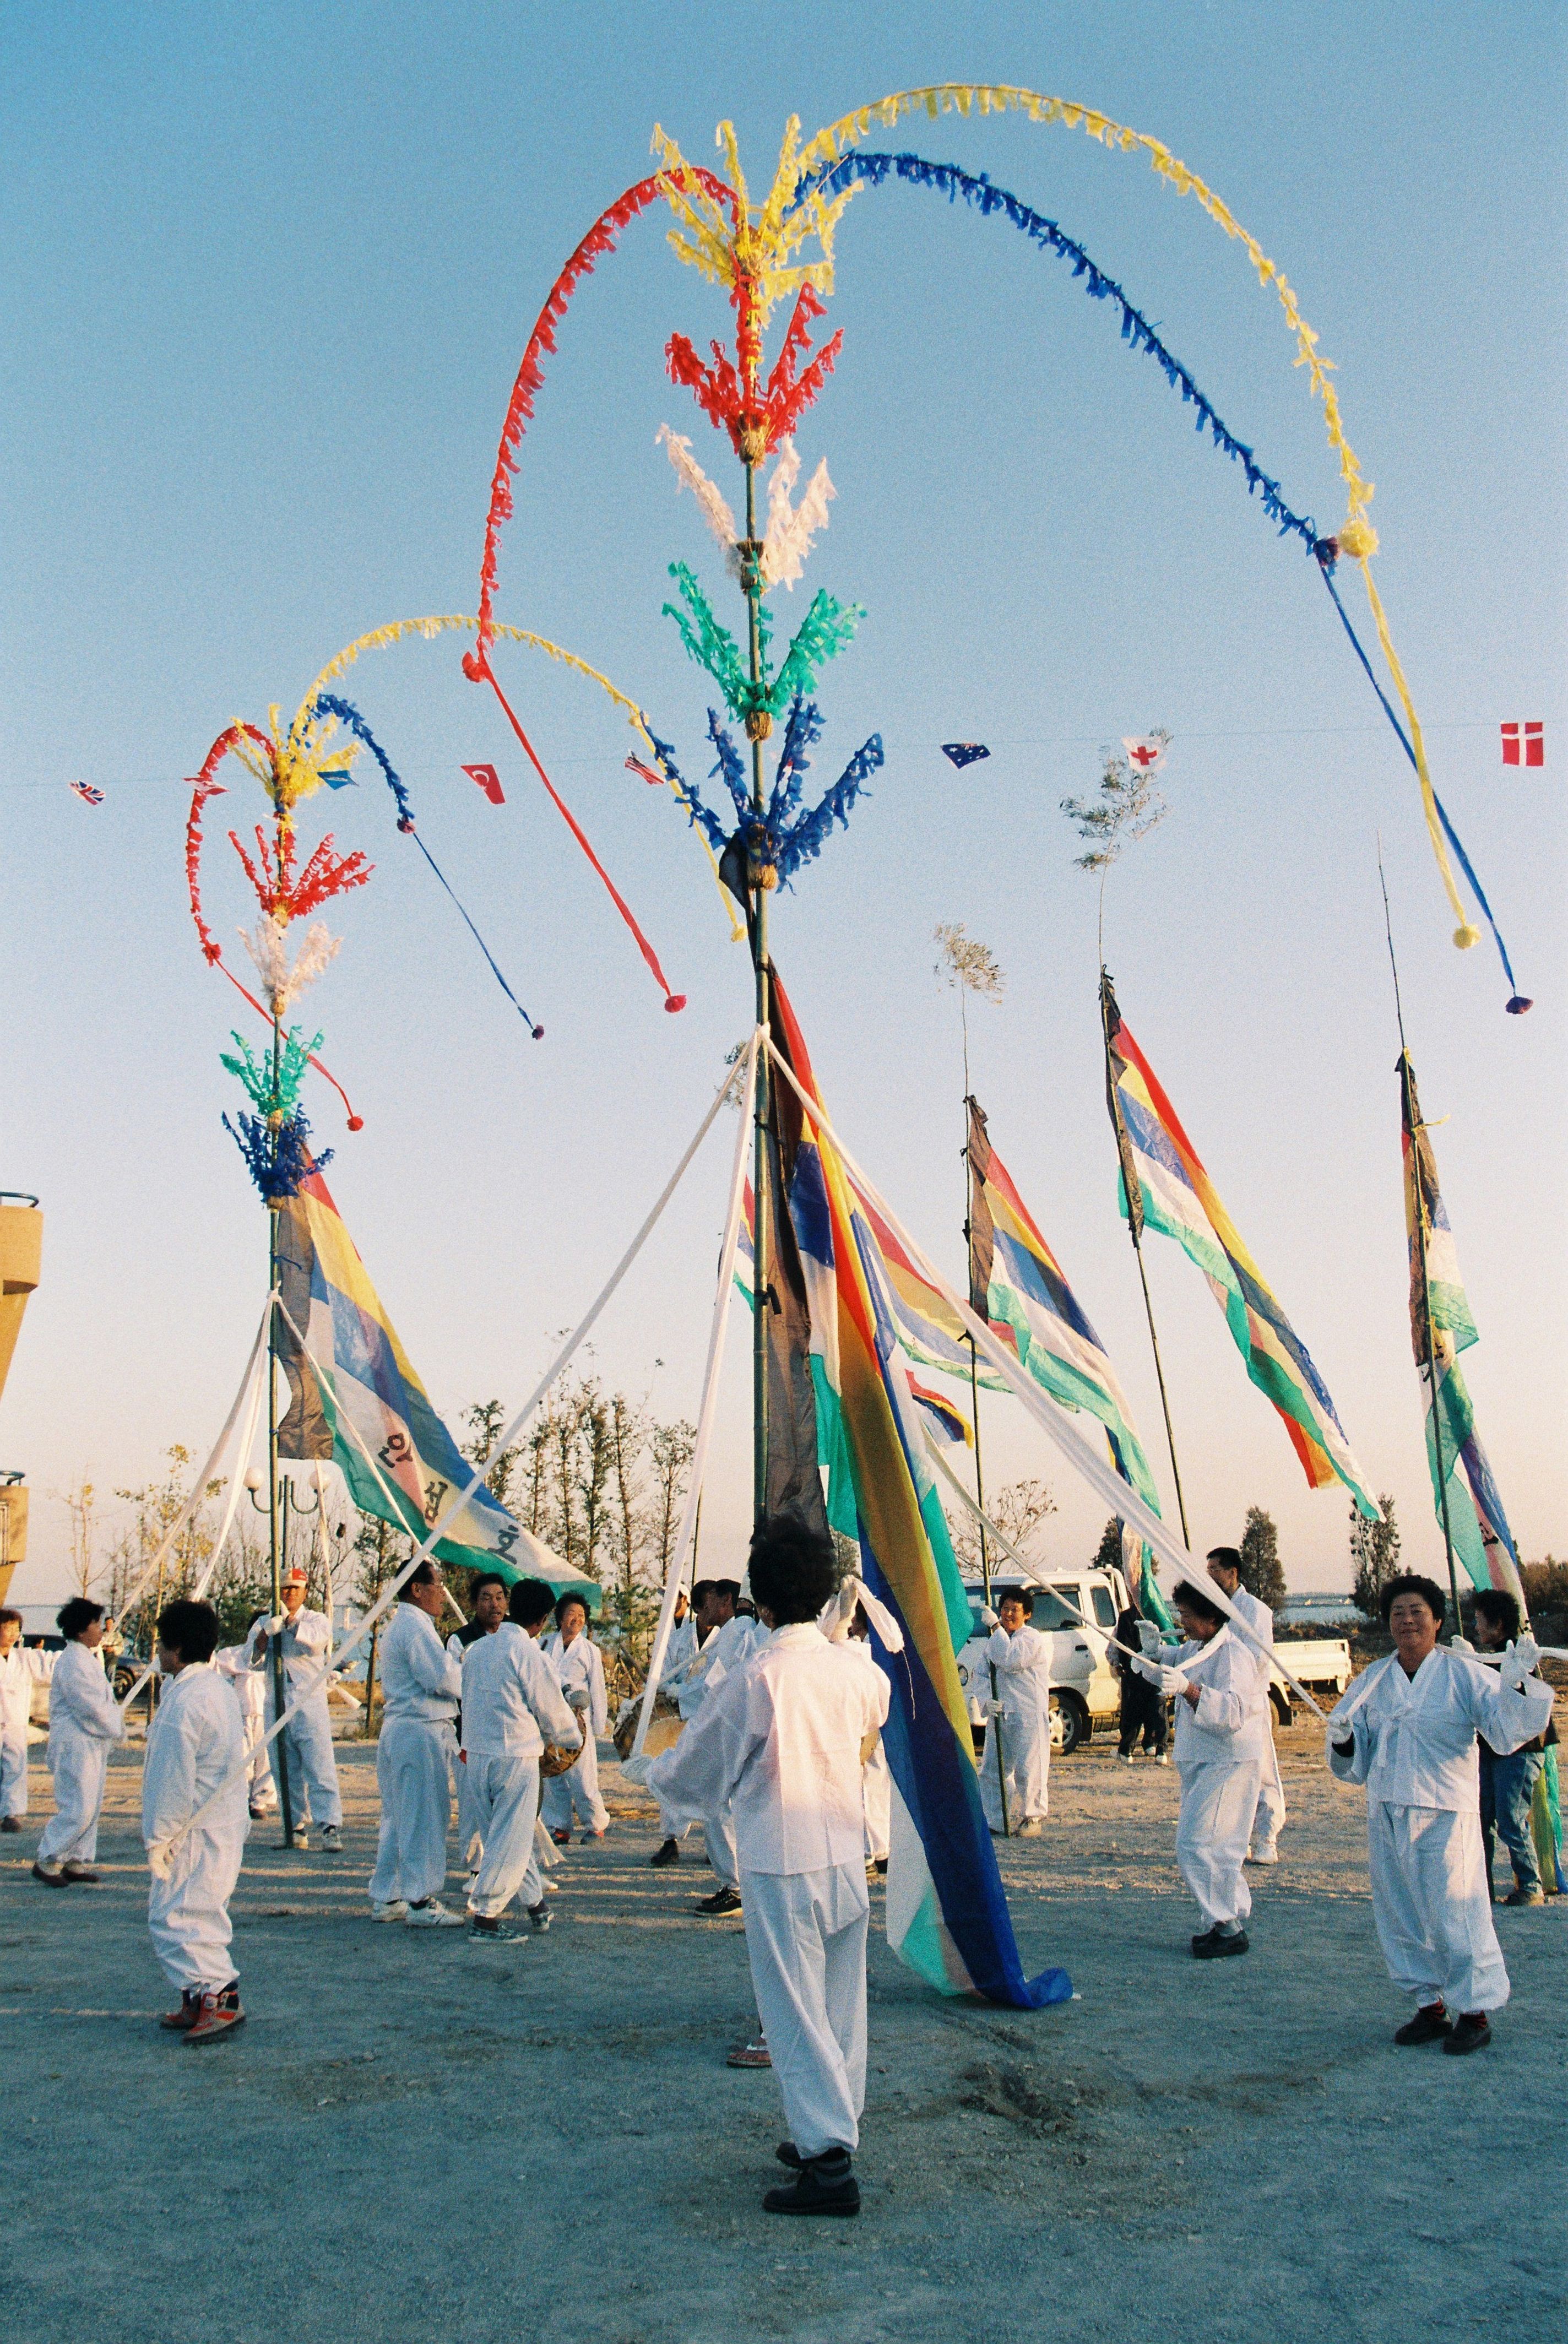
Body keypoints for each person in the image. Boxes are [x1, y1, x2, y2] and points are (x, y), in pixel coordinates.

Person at [633, 1516, 889, 2217]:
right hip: (843, 1851)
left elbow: (699, 1770)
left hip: (782, 1857)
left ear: (762, 1600)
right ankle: (831, 2128)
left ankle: (828, 2160)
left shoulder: (757, 1675)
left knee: (794, 2009)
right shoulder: (849, 1666)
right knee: (838, 2002)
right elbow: (879, 1708)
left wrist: (652, 1773)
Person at [1328, 1573, 1553, 2052]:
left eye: (1416, 1613)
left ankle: (1474, 2011)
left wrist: (1518, 1680)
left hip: (1445, 1813)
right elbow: (1353, 1755)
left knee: (1457, 1910)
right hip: (1387, 1809)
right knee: (1400, 1913)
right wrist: (1344, 1736)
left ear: (1435, 1620)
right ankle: (1428, 2007)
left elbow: (1505, 1731)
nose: (1406, 1621)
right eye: (1396, 1614)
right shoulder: (1373, 1680)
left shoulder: (1462, 1672)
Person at [1133, 1580, 1266, 1957]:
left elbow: (1233, 1712)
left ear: (1210, 1616)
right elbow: (1162, 1673)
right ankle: (1224, 1919)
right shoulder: (1195, 1648)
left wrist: (1190, 1691)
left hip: (1228, 1760)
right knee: (1220, 1846)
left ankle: (1227, 1924)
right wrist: (1151, 1654)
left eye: (1187, 1615)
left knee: (1195, 1843)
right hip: (1202, 1758)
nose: (1182, 1621)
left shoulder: (1233, 1654)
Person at [142, 1599, 250, 2043]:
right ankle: (195, 1996)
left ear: (177, 1647)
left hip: (196, 1825)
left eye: (161, 1644)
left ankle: (219, 1996)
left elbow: (170, 1780)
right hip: (219, 1819)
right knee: (198, 1907)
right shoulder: (216, 1688)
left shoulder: (186, 1701)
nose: (158, 1652)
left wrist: (158, 1838)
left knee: (178, 1915)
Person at [460, 1577, 582, 1941]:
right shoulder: (530, 1654)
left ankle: (535, 1905)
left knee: (505, 1836)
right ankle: (485, 1916)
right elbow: (552, 1711)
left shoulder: (478, 1651)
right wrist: (572, 1735)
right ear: (544, 1619)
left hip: (478, 1755)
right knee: (510, 1839)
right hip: (514, 1756)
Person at [368, 1558, 465, 1927]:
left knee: (399, 1816)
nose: (442, 1592)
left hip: (404, 1729)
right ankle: (420, 1900)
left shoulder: (408, 1625)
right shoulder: (413, 1626)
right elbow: (439, 1678)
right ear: (417, 1589)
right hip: (418, 1729)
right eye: (437, 1584)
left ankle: (388, 1894)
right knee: (423, 1814)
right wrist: (468, 1672)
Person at [247, 1565, 342, 1852]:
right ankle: (295, 1828)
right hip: (276, 1701)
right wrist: (265, 1636)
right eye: (284, 1588)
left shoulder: (317, 1620)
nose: (289, 1593)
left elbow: (315, 1642)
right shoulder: (265, 1621)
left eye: (295, 1589)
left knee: (318, 1764)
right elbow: (250, 1659)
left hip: (307, 1703)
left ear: (305, 1592)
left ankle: (329, 1826)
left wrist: (289, 1623)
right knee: (283, 1767)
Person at [34, 1598, 125, 1886]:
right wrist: (116, 1727)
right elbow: (90, 1707)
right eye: (97, 1624)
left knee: (92, 1803)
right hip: (76, 1744)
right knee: (79, 1805)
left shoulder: (86, 1657)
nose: (101, 1629)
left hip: (90, 1743)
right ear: (82, 1628)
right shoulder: (73, 1661)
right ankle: (47, 1860)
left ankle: (77, 1860)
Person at [1473, 1587, 1553, 1907]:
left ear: (1499, 1624)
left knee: (1510, 1817)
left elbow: (1528, 1706)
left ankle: (1531, 1886)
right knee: (1482, 1818)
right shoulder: (1484, 1658)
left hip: (1520, 1752)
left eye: (1480, 1621)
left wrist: (1519, 1676)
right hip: (1491, 1750)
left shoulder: (1519, 1656)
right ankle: (1480, 1887)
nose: (1476, 1627)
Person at [1207, 1545, 1285, 1861]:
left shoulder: (1255, 1610)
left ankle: (1267, 1838)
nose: (1210, 1578)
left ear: (1232, 1573)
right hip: (1221, 1703)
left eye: (1214, 1571)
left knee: (1262, 1770)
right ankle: (1235, 1840)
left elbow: (1257, 1656)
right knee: (1228, 1773)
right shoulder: (1213, 1608)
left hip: (1250, 1703)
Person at [648, 1578, 729, 1869]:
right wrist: (673, 1692)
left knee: (714, 1781)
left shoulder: (725, 1639)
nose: (715, 1610)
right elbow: (665, 1674)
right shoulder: (678, 1640)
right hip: (679, 1717)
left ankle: (715, 1845)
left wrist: (687, 1693)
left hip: (712, 1717)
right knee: (672, 1773)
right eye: (708, 1605)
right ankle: (671, 1840)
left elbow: (720, 1680)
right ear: (697, 1607)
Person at [448, 1570, 509, 1875]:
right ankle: (476, 1871)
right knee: (473, 1808)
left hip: (508, 1738)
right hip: (469, 1738)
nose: (493, 1605)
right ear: (474, 1604)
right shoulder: (460, 1641)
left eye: (499, 1597)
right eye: (486, 1598)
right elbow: (458, 1688)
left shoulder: (514, 1637)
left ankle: (518, 1871)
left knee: (512, 1808)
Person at [977, 1589, 1051, 1837]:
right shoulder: (996, 1639)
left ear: (1027, 1615)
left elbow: (1010, 1659)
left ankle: (1033, 1817)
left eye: (1014, 1610)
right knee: (992, 1769)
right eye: (1004, 1609)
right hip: (1003, 1713)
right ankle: (995, 1819)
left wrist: (997, 1628)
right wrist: (988, 1700)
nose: (1007, 1614)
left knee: (1029, 1768)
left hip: (1027, 1714)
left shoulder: (1032, 1639)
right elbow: (982, 1672)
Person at [540, 1593, 610, 1844]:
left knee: (583, 1775)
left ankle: (595, 1823)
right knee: (553, 1771)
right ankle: (559, 1825)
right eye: (571, 1614)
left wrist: (598, 1723)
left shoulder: (590, 1650)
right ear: (559, 1618)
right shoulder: (544, 1644)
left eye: (581, 1616)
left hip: (579, 1717)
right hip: (550, 1714)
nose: (577, 1619)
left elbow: (598, 1688)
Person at [213, 1617, 277, 1820]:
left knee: (265, 1760)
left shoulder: (275, 1657)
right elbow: (214, 1665)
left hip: (266, 1713)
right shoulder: (235, 1655)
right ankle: (240, 1800)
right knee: (242, 1760)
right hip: (241, 1714)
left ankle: (259, 1802)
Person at [0, 1607, 55, 1831]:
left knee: (14, 1767)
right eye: (7, 1628)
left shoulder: (24, 1657)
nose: (12, 1634)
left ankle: (10, 1814)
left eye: (16, 1629)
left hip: (14, 1723)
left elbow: (52, 1664)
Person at [848, 1606, 890, 1874]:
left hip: (870, 1724)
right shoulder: (860, 1647)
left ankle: (870, 1853)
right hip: (871, 1722)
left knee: (867, 1789)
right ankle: (880, 1848)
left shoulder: (869, 1651)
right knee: (875, 1787)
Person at [1111, 1587, 1167, 1765]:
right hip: (1153, 1672)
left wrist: (1129, 1667)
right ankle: (1159, 1750)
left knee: (1133, 1714)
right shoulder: (1157, 1615)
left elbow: (1123, 1647)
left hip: (1137, 1673)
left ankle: (1128, 1751)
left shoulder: (1128, 1617)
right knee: (1157, 1711)